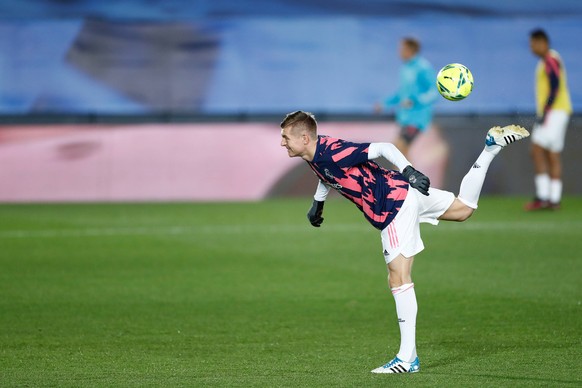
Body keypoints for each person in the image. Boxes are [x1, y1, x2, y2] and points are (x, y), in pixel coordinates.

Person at [279, 111, 529, 374]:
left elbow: (383, 147)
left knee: (398, 278)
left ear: (305, 138)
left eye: (285, 137)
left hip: (393, 205)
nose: (283, 142)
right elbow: (326, 173)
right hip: (405, 191)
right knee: (463, 209)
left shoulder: (332, 151)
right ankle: (490, 147)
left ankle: (407, 359)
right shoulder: (316, 152)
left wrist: (409, 170)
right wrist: (318, 203)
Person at [525, 29, 572, 211]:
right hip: (560, 111)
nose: (531, 48)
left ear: (541, 42)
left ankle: (543, 197)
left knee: (537, 150)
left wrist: (546, 111)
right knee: (552, 154)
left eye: (532, 44)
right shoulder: (550, 60)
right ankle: (553, 199)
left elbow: (555, 85)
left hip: (554, 112)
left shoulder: (550, 60)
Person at [374, 37, 438, 157]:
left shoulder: (423, 67)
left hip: (417, 118)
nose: (399, 51)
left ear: (410, 49)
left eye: (402, 48)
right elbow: (401, 94)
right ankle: (408, 176)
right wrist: (384, 104)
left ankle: (404, 176)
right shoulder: (405, 68)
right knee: (401, 153)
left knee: (398, 150)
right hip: (405, 118)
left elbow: (434, 92)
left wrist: (416, 101)